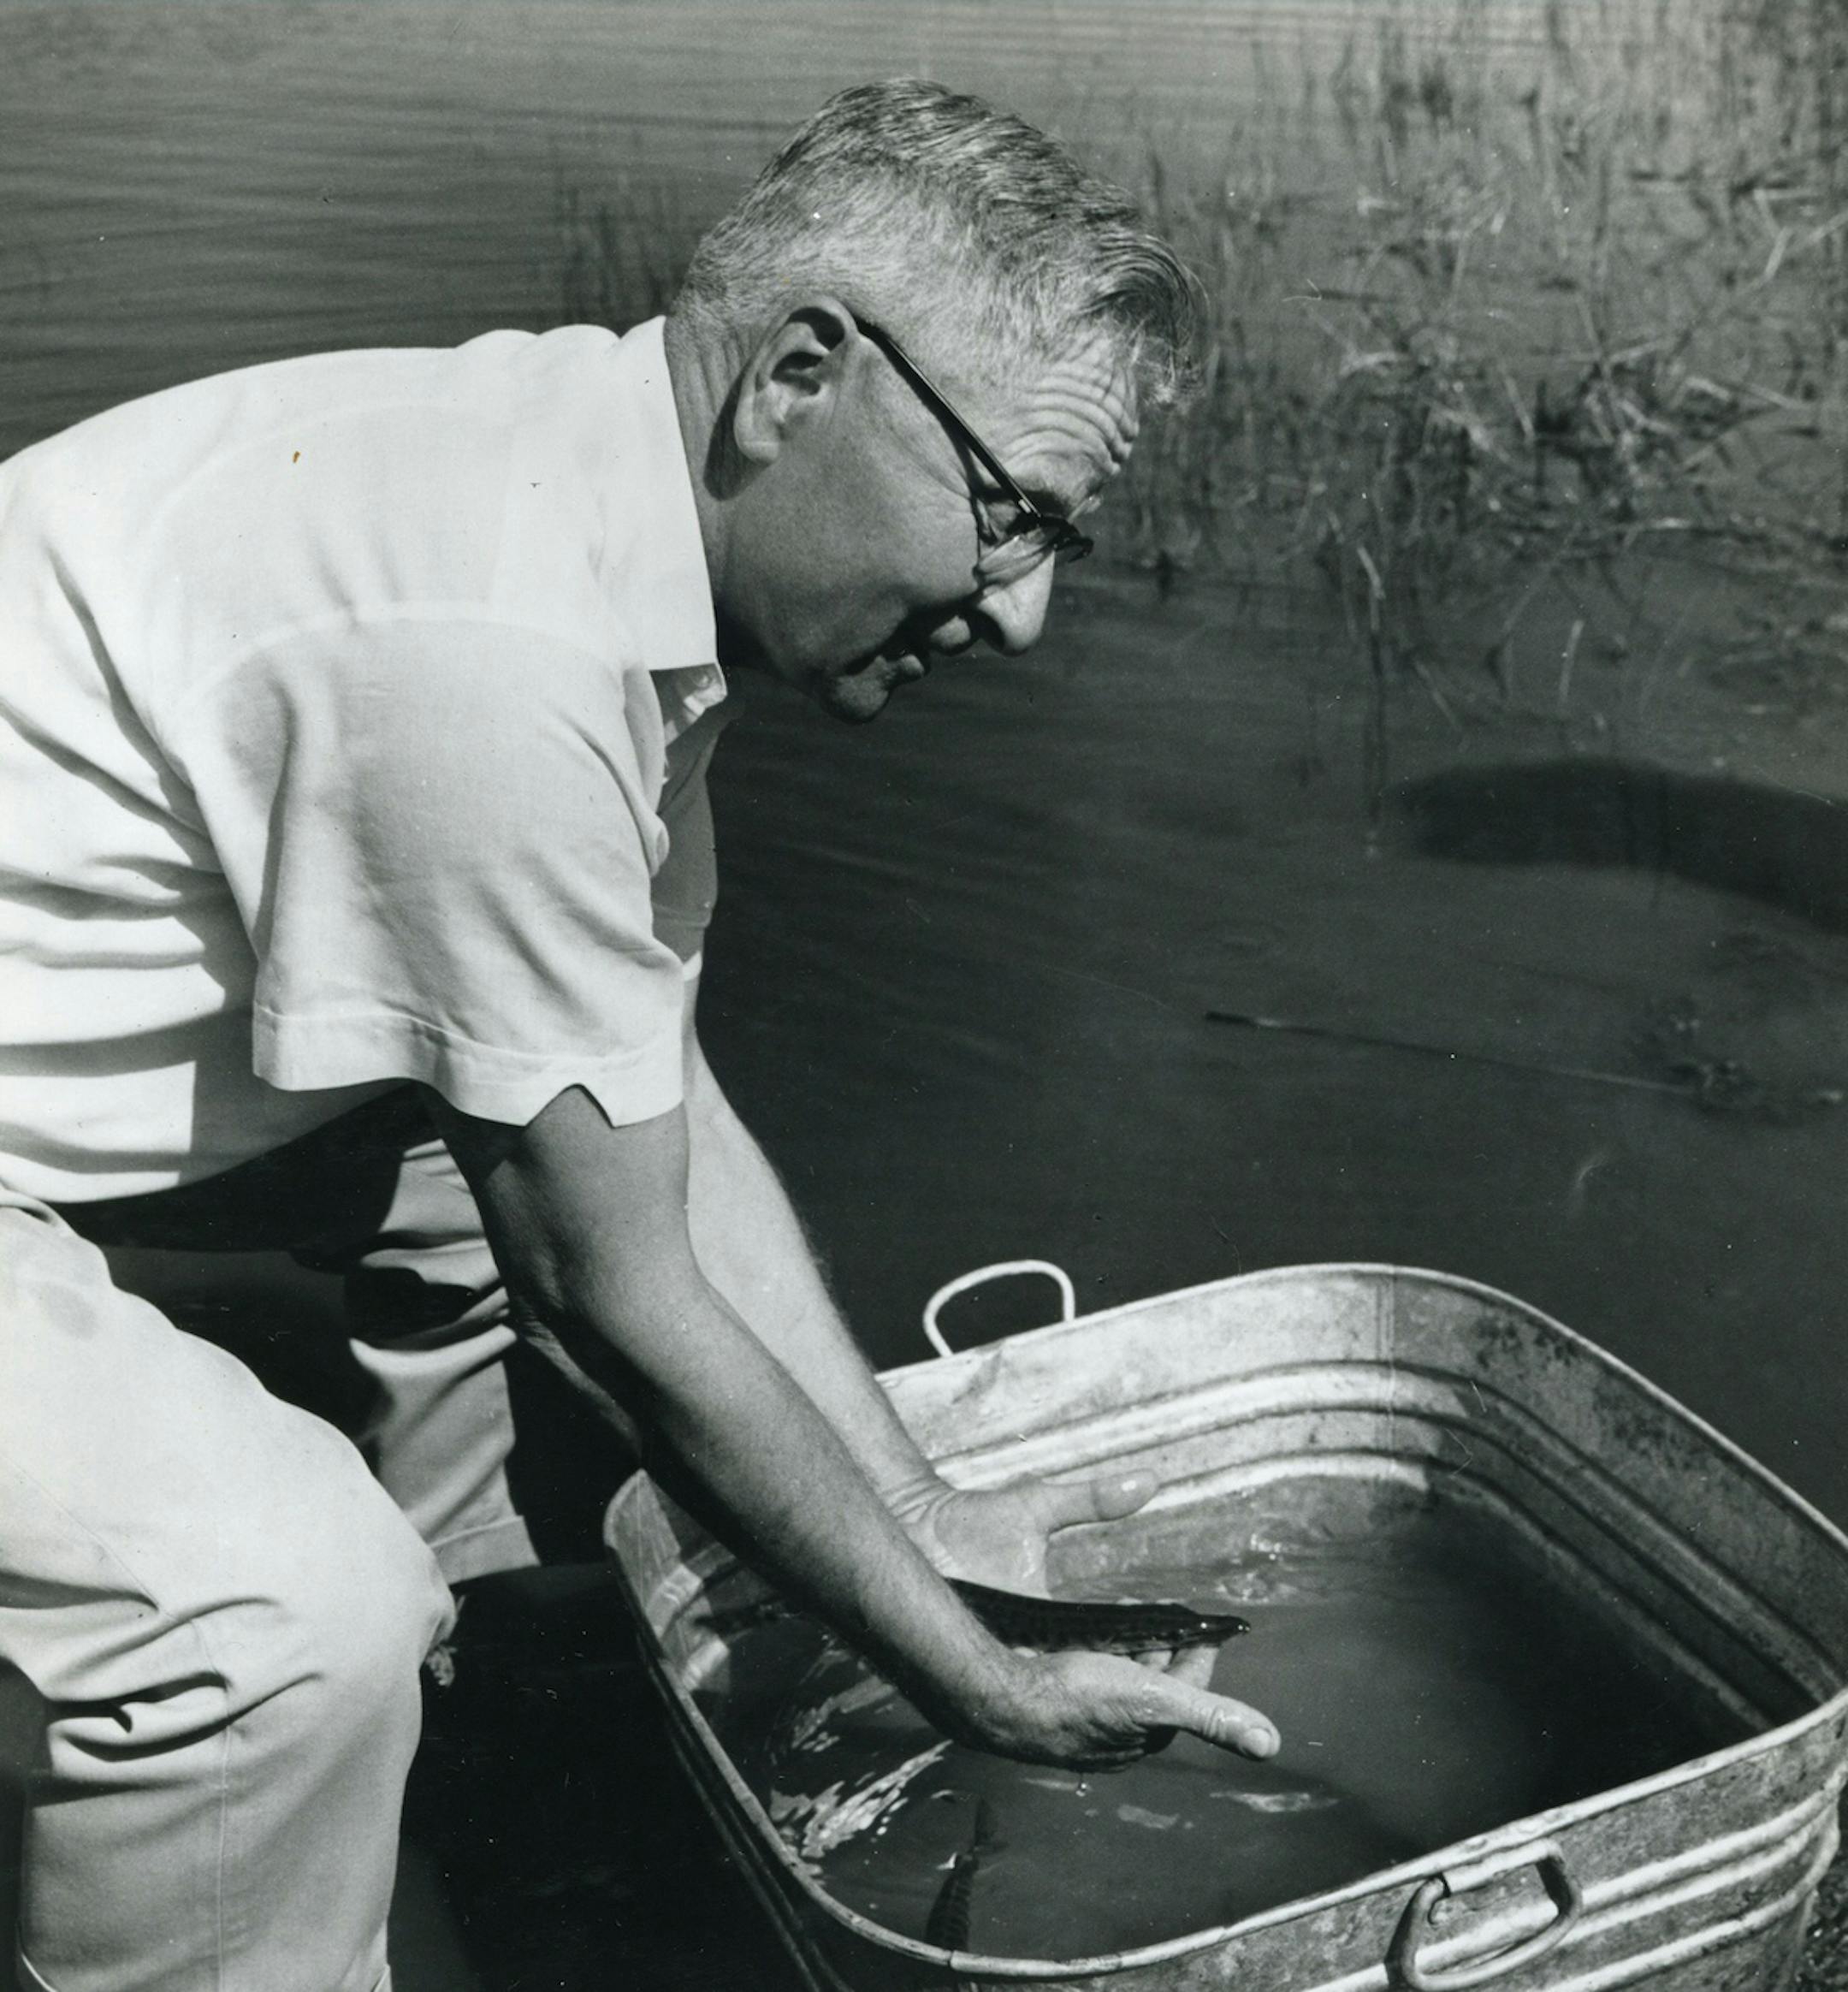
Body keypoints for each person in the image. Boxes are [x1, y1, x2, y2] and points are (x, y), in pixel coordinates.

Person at [0, 79, 1279, 1992]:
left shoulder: (595, 505)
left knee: (481, 1173)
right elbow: (615, 1288)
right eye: (1013, 516)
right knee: (276, 1617)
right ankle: (263, 1805)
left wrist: (917, 1518)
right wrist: (975, 1675)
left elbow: (640, 1099)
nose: (1021, 616)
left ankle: (447, 1760)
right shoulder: (496, 653)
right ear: (799, 381)